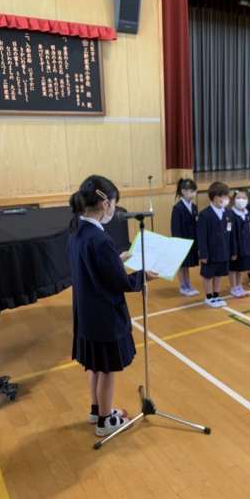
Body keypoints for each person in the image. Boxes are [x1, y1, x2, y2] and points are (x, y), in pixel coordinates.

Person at [68, 175, 158, 437]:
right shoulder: (100, 239)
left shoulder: (77, 231)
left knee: (95, 366)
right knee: (107, 369)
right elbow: (120, 282)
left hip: (87, 313)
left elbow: (92, 267)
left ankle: (97, 410)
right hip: (104, 315)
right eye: (115, 203)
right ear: (105, 203)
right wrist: (142, 277)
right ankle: (105, 421)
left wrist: (115, 259)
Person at [197, 182, 235, 308]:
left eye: (226, 196)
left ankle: (216, 295)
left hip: (224, 251)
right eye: (222, 196)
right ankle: (209, 297)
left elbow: (231, 233)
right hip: (210, 252)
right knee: (208, 275)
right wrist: (203, 254)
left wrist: (233, 251)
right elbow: (201, 236)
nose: (225, 199)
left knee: (219, 274)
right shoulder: (204, 214)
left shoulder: (228, 213)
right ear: (214, 197)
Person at [171, 178, 199, 297]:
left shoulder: (194, 207)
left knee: (187, 265)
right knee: (182, 264)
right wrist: (178, 243)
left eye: (194, 191)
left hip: (191, 239)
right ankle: (183, 285)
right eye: (191, 191)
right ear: (183, 191)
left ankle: (188, 284)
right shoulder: (178, 208)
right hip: (181, 240)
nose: (193, 194)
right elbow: (175, 228)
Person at [228, 190, 250, 298]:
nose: (241, 200)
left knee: (241, 268)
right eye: (238, 198)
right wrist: (233, 250)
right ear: (233, 200)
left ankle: (239, 285)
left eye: (244, 198)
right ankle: (233, 287)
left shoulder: (247, 213)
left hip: (245, 246)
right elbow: (231, 234)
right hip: (235, 247)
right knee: (234, 268)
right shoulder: (230, 214)